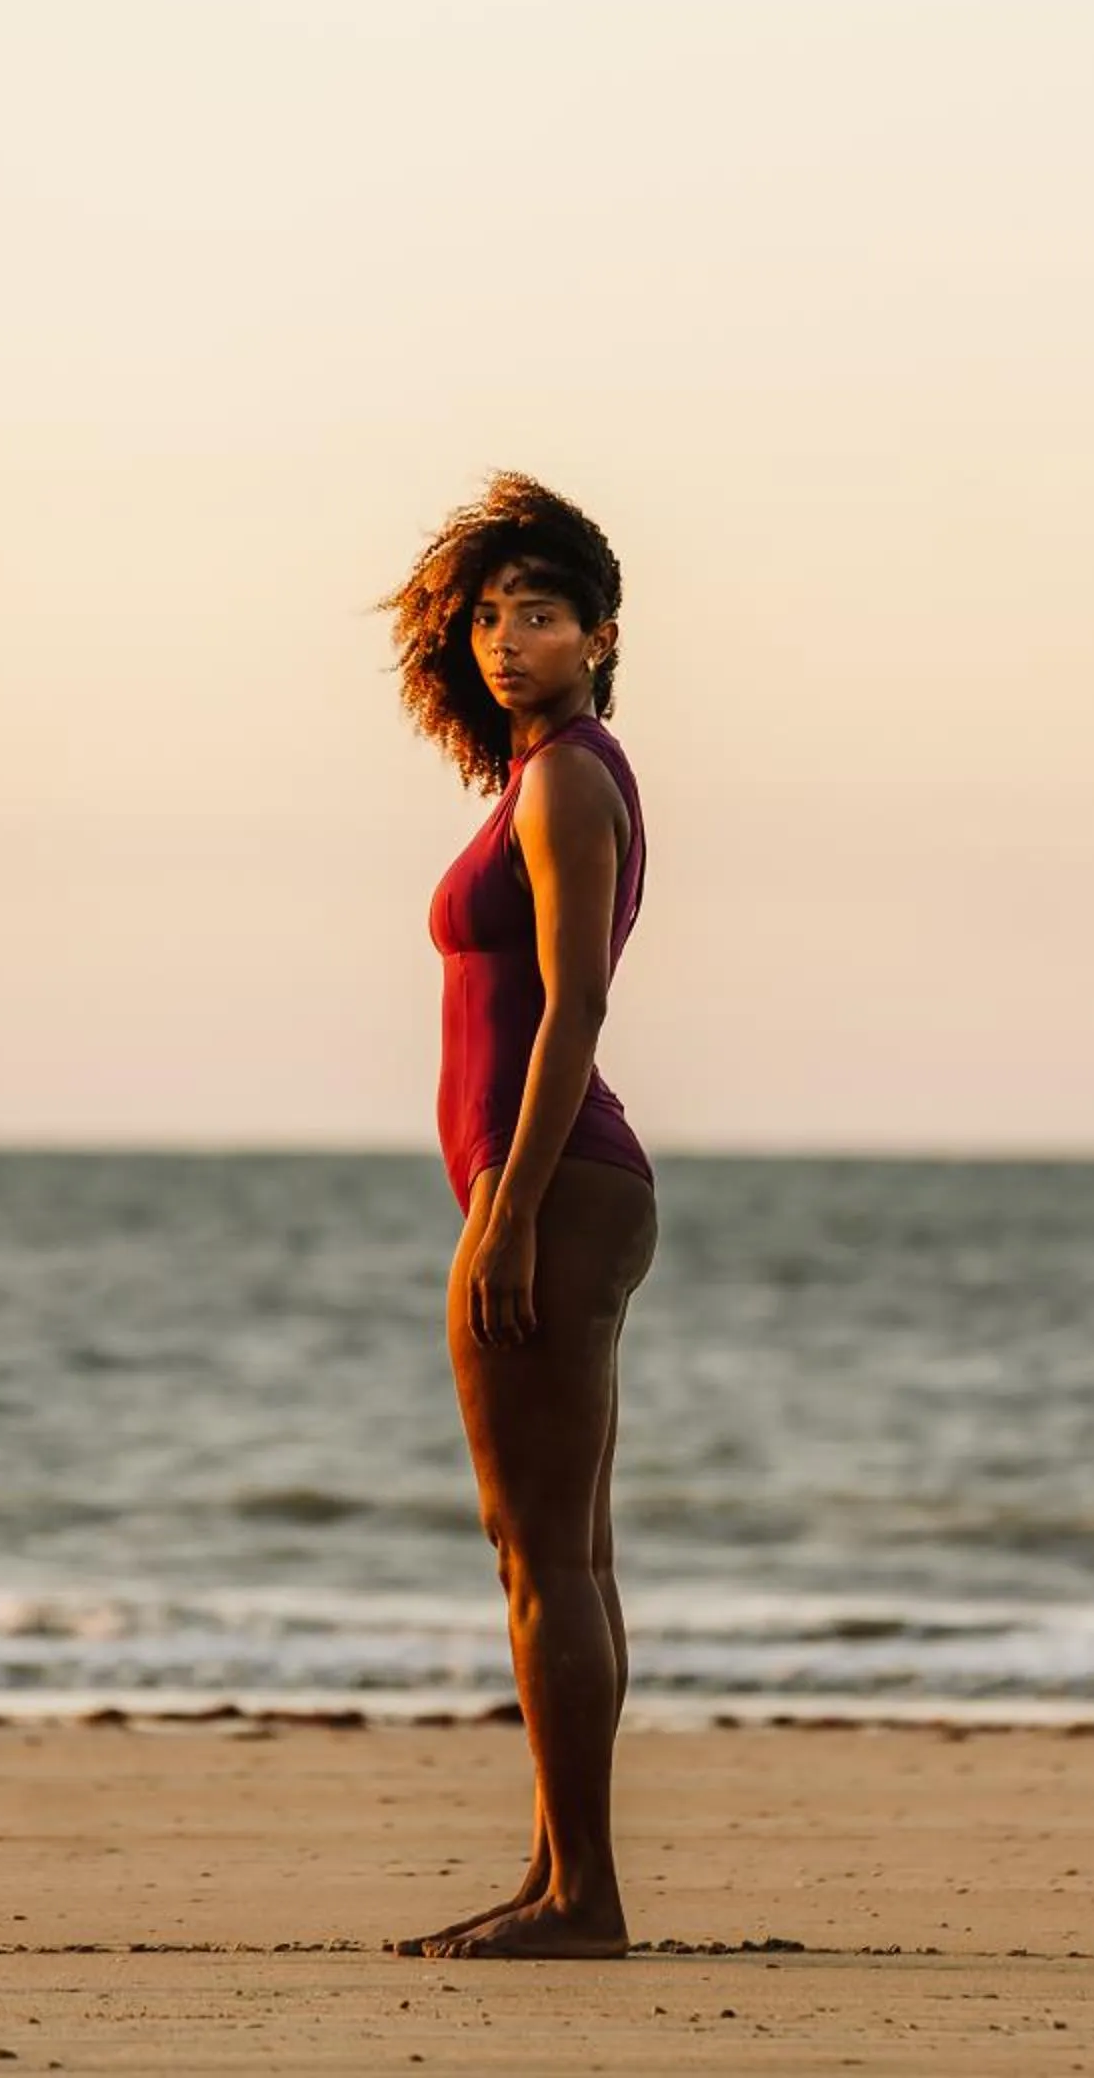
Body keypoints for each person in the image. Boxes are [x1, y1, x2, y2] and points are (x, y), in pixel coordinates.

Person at [380, 473, 658, 1960]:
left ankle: (583, 1897)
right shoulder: (543, 769)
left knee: (541, 1550)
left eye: (538, 616)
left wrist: (507, 1211)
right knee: (558, 1551)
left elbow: (576, 1007)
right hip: (553, 1185)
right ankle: (561, 1877)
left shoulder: (564, 779)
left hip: (552, 1183)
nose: (507, 640)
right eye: (488, 616)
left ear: (599, 637)